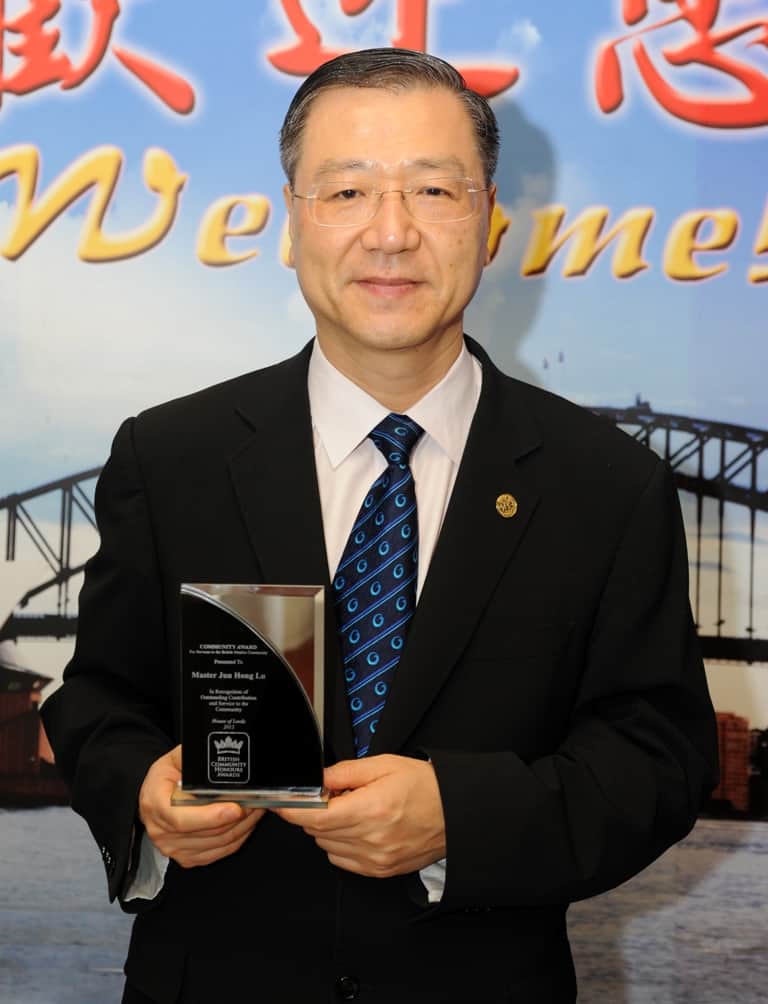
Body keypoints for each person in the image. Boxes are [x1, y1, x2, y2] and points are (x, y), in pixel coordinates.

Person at [41, 48, 718, 1004]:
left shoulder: (606, 486)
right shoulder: (171, 456)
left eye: (434, 191)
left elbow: (661, 754)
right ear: (290, 225)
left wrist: (461, 819)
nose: (390, 235)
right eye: (347, 191)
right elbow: (97, 700)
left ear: (490, 226)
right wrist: (144, 795)